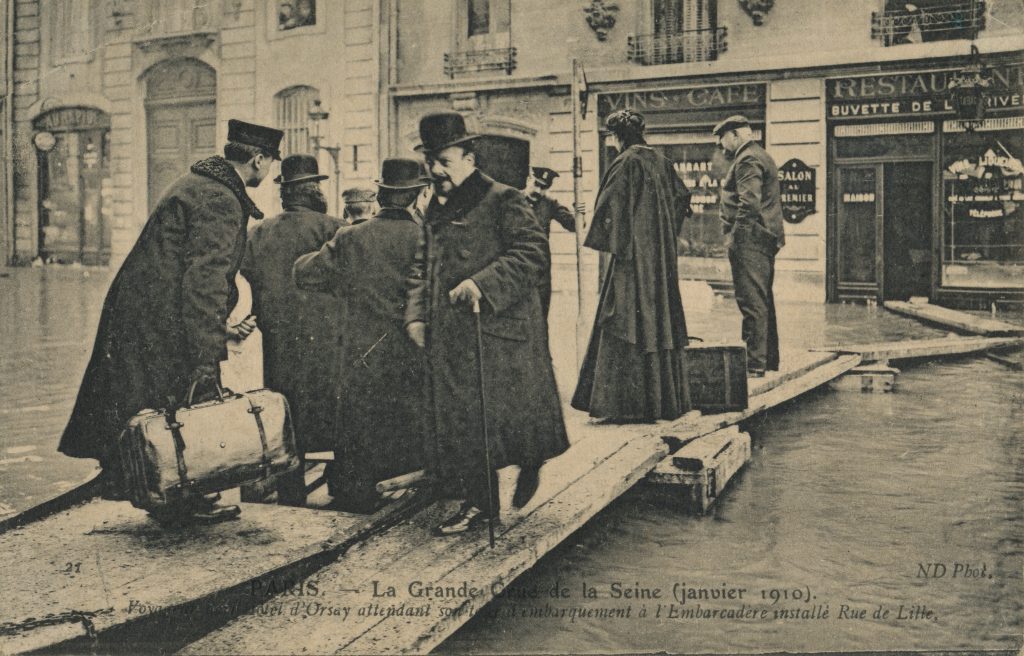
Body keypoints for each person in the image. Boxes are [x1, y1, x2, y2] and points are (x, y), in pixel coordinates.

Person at [59, 119, 283, 524]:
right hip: (163, 324)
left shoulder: (198, 183)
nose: (269, 173)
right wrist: (207, 353)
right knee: (180, 408)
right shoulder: (219, 198)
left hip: (147, 317)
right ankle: (178, 502)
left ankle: (163, 495)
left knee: (153, 409)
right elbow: (204, 282)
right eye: (270, 164)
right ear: (258, 158)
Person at [405, 111, 569, 535]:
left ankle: (521, 471)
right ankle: (482, 503)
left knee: (507, 416)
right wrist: (417, 315)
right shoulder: (433, 207)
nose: (435, 170)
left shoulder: (503, 198)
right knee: (467, 418)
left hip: (500, 329)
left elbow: (532, 253)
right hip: (453, 332)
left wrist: (482, 282)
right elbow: (423, 265)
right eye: (430, 161)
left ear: (469, 158)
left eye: (444, 161)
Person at [293, 158, 433, 513]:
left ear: (382, 195)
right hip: (415, 351)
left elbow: (305, 274)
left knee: (361, 422)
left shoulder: (352, 237)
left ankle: (356, 492)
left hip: (362, 352)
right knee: (412, 419)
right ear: (419, 195)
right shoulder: (429, 238)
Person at [571, 109, 693, 421]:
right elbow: (682, 197)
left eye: (612, 137)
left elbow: (609, 206)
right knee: (658, 320)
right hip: (660, 259)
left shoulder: (626, 161)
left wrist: (618, 238)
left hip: (632, 259)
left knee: (624, 318)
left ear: (617, 137)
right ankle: (662, 402)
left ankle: (625, 405)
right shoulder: (661, 161)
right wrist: (663, 233)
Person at [239, 154, 344, 505]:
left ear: (285, 193)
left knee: (285, 413)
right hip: (329, 338)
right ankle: (342, 488)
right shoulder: (336, 228)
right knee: (335, 410)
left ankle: (291, 492)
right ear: (315, 191)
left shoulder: (259, 233)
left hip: (279, 340)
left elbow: (247, 278)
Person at [713, 115, 784, 377]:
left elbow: (749, 203)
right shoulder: (760, 154)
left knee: (751, 301)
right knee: (762, 299)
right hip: (763, 238)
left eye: (723, 139)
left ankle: (754, 365)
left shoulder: (747, 159)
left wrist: (736, 237)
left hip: (751, 241)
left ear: (735, 135)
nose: (722, 146)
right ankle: (767, 360)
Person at [524, 166, 575, 320]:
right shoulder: (512, 199)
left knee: (540, 320)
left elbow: (575, 225)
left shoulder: (550, 204)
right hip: (515, 269)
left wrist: (579, 206)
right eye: (536, 184)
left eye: (544, 188)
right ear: (528, 180)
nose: (539, 191)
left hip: (541, 273)